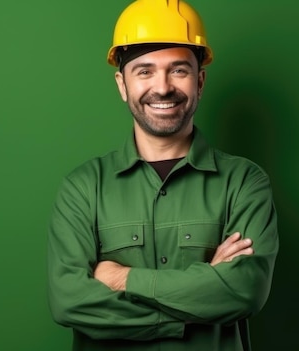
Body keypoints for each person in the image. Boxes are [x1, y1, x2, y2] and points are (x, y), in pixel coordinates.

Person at [47, 0, 279, 350]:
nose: (163, 87)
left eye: (179, 70)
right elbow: (69, 301)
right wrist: (202, 293)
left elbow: (243, 293)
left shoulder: (244, 182)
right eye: (144, 71)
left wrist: (122, 278)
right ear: (122, 84)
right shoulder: (83, 188)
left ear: (199, 81)